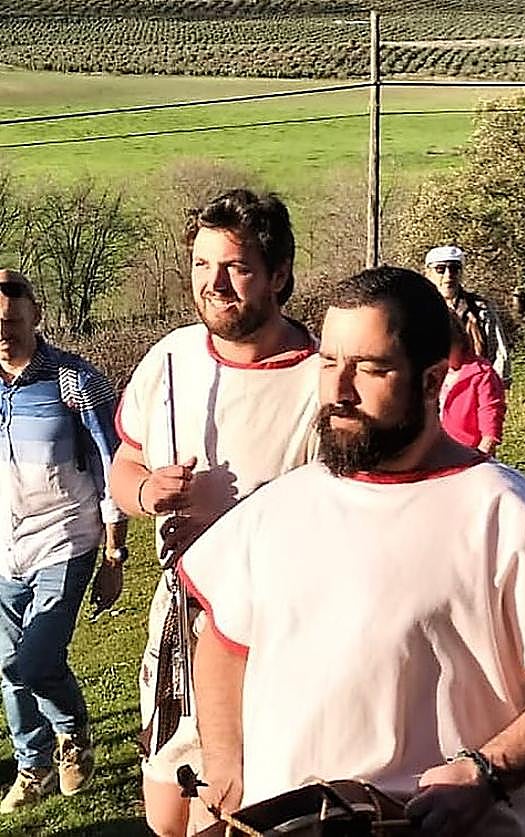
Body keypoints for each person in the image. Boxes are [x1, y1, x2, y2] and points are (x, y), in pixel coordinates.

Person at [179, 265, 525, 836]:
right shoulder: (277, 508)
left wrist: (487, 773)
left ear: (431, 381)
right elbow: (223, 642)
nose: (339, 391)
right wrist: (225, 772)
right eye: (329, 363)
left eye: (370, 369)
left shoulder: (505, 513)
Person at [108, 189, 320, 837]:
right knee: (167, 821)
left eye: (234, 267)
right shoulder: (170, 359)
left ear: (279, 273)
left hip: (270, 638)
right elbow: (123, 467)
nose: (214, 284)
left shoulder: (323, 380)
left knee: (230, 817)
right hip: (175, 620)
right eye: (202, 265)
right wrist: (148, 493)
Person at [0, 269, 128, 813]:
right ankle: (33, 769)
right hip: (5, 549)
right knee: (8, 667)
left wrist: (115, 552)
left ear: (35, 315)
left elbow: (113, 464)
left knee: (33, 662)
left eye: (11, 320)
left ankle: (72, 733)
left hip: (65, 539)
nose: (3, 332)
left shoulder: (73, 380)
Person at [425, 245, 511, 386]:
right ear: (428, 272)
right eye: (440, 269)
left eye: (454, 268)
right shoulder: (417, 308)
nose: (448, 275)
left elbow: (499, 352)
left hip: (473, 387)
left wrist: (498, 385)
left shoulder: (480, 308)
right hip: (431, 390)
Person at [441, 313, 506, 457]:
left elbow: (490, 425)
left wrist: (479, 460)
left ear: (457, 342)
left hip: (468, 457)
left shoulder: (482, 374)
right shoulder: (429, 373)